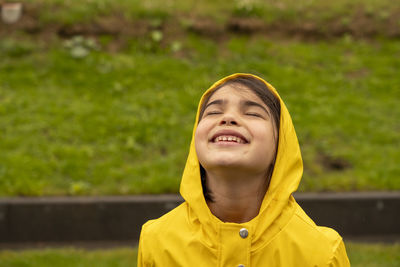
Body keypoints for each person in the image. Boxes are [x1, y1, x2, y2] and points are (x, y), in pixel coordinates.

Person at [137, 73, 350, 266]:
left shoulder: (321, 252)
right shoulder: (156, 241)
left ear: (281, 146)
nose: (228, 118)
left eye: (253, 113)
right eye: (213, 112)